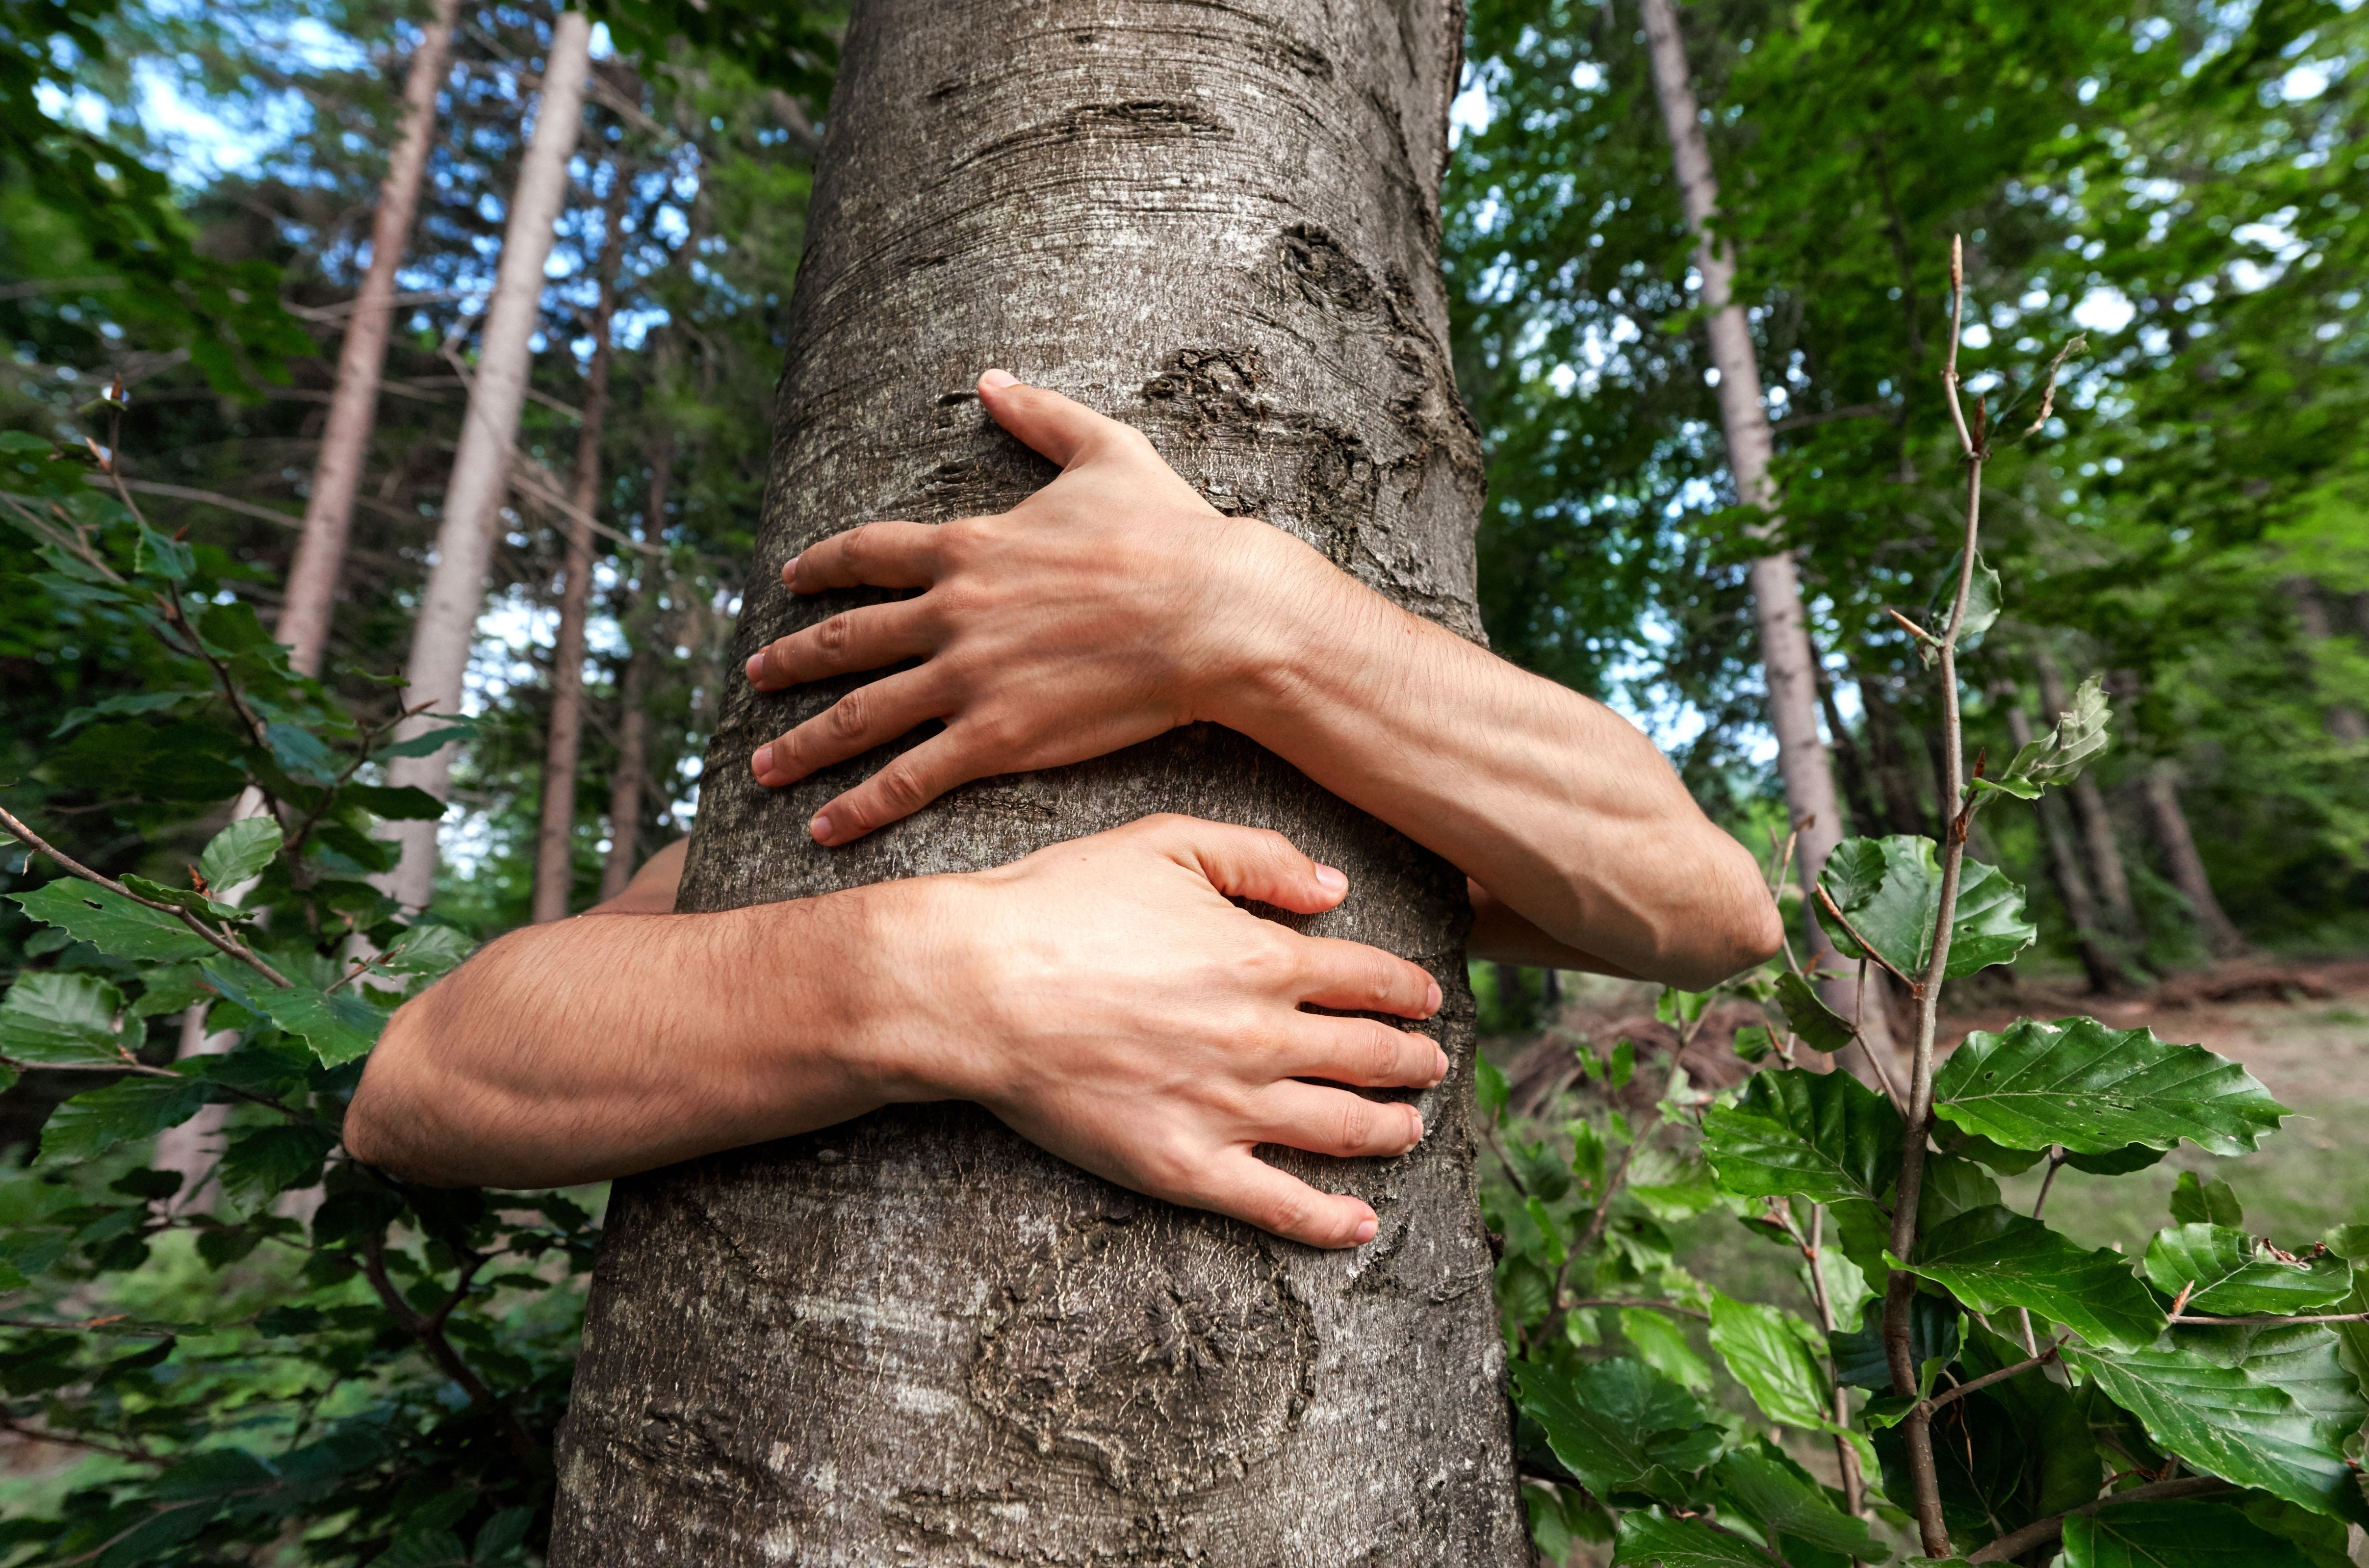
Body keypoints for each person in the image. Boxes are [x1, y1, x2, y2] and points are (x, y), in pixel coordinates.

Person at [346, 372, 1783, 1249]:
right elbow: (423, 1083)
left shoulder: (1365, 784)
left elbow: (1708, 908)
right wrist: (952, 979)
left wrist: (1233, 611)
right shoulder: (824, 810)